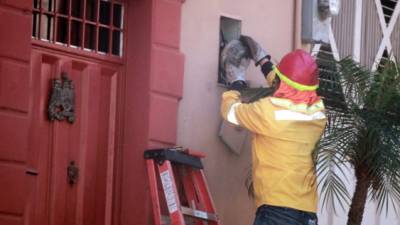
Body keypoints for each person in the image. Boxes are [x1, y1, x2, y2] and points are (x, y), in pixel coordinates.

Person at [220, 36, 327, 225]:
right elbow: (291, 89)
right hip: (308, 213)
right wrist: (263, 61)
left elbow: (231, 112)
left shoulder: (267, 112)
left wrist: (235, 81)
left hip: (276, 212)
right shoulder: (318, 113)